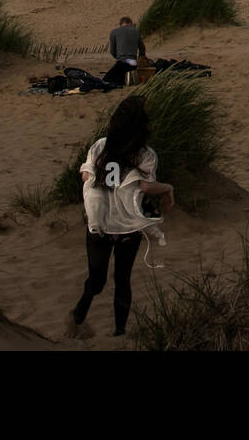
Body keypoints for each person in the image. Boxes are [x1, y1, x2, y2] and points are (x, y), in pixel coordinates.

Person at [66, 96, 174, 338]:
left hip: (100, 223)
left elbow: (85, 176)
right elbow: (147, 188)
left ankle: (77, 318)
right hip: (127, 227)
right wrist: (168, 189)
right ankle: (119, 333)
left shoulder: (100, 146)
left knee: (96, 280)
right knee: (122, 280)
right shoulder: (146, 155)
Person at [104, 16, 146, 87]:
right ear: (130, 23)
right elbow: (142, 48)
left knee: (106, 80)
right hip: (133, 63)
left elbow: (112, 51)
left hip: (121, 62)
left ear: (121, 24)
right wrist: (140, 58)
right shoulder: (136, 31)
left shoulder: (114, 32)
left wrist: (118, 57)